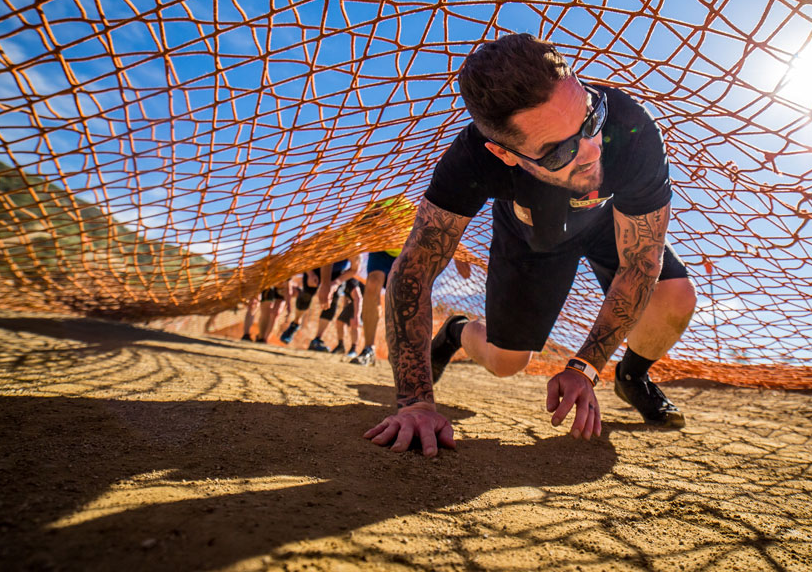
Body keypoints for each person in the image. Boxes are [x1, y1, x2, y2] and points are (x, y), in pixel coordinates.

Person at [365, 32, 698, 458]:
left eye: (591, 119)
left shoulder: (630, 130)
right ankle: (456, 333)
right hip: (532, 236)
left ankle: (633, 377)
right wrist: (415, 403)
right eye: (559, 152)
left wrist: (586, 367)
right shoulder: (472, 160)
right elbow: (413, 269)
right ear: (505, 155)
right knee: (507, 363)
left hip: (607, 224)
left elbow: (640, 263)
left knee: (675, 297)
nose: (593, 149)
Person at [280, 256, 361, 349]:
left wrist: (335, 283)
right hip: (314, 268)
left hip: (336, 275)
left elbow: (354, 269)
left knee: (331, 302)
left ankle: (317, 338)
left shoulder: (355, 250)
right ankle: (295, 323)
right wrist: (310, 274)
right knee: (306, 295)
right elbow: (306, 257)